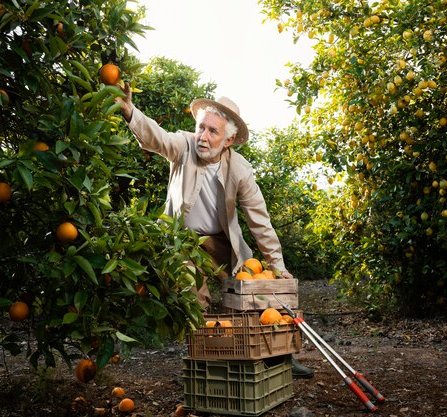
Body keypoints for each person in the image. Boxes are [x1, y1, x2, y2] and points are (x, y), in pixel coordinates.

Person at [117, 82, 313, 378]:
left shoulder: (240, 170)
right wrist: (131, 112)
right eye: (201, 128)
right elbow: (156, 138)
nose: (203, 137)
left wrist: (278, 266)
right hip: (181, 242)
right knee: (192, 294)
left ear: (229, 140)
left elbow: (260, 221)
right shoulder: (184, 147)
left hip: (221, 242)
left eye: (212, 132)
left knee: (260, 287)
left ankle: (280, 357)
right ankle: (211, 356)